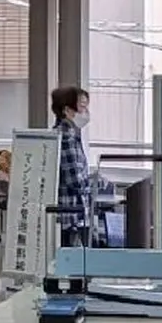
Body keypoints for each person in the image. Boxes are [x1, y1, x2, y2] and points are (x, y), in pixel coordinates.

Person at [51, 85, 101, 247]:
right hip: (71, 213)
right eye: (82, 106)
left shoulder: (67, 134)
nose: (86, 112)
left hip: (72, 212)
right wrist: (98, 182)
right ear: (67, 110)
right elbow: (75, 180)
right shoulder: (66, 137)